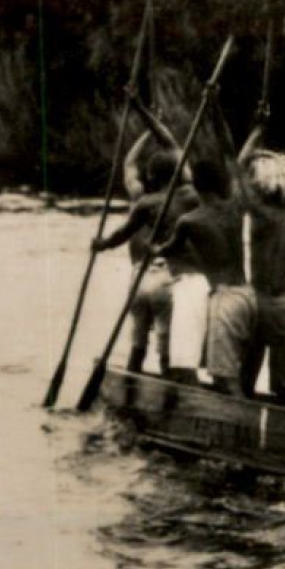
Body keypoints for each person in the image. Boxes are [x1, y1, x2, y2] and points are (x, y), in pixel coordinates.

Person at [90, 95, 198, 375]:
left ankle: (131, 387)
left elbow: (128, 164)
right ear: (176, 175)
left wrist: (101, 245)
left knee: (137, 342)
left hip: (138, 279)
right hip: (166, 279)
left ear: (149, 177)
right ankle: (165, 394)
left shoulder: (141, 200)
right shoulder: (187, 197)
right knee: (166, 347)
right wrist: (154, 123)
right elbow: (174, 146)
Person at [153, 155, 254, 397]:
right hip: (248, 296)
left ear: (196, 187)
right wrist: (257, 128)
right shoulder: (236, 207)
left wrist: (151, 249)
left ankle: (239, 425)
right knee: (234, 373)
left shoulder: (188, 221)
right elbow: (237, 163)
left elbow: (166, 249)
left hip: (225, 299)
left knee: (224, 377)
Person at [236, 107, 285, 405]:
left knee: (245, 376)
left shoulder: (260, 217)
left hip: (255, 301)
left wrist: (257, 130)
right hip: (281, 303)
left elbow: (238, 167)